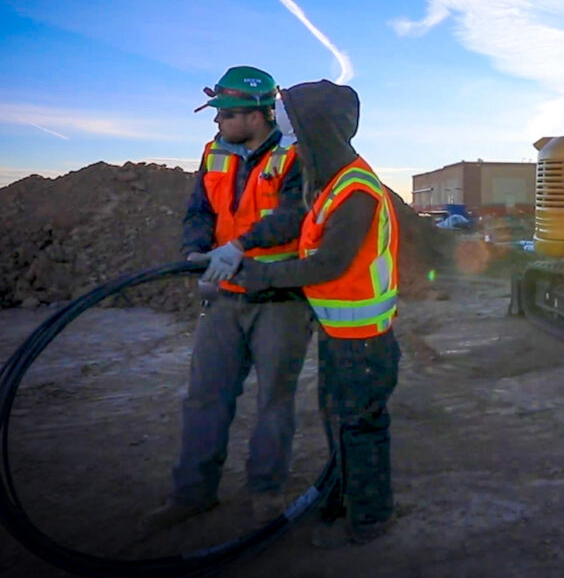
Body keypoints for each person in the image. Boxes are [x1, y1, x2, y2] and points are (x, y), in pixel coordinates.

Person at [232, 80, 402, 549]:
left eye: (295, 132)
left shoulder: (357, 190)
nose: (290, 143)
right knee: (338, 421)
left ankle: (369, 519)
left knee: (360, 429)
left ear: (318, 131)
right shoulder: (332, 184)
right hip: (341, 334)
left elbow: (329, 264)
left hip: (363, 342)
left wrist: (263, 277)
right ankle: (341, 499)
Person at [142, 66, 311, 532]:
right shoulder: (214, 152)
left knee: (274, 402)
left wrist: (239, 246)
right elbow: (199, 210)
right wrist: (195, 251)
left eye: (225, 114)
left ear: (255, 115)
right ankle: (192, 494)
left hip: (279, 297)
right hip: (225, 298)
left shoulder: (295, 155)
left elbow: (295, 216)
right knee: (205, 398)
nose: (217, 122)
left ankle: (267, 493)